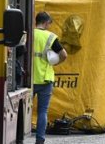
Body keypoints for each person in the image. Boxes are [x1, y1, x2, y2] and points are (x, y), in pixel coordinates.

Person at [33, 12, 67, 144]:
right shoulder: (50, 37)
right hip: (45, 79)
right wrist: (55, 63)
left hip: (29, 79)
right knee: (42, 111)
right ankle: (40, 140)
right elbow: (64, 55)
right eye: (49, 24)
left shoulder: (30, 34)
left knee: (24, 110)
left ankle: (21, 135)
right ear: (46, 22)